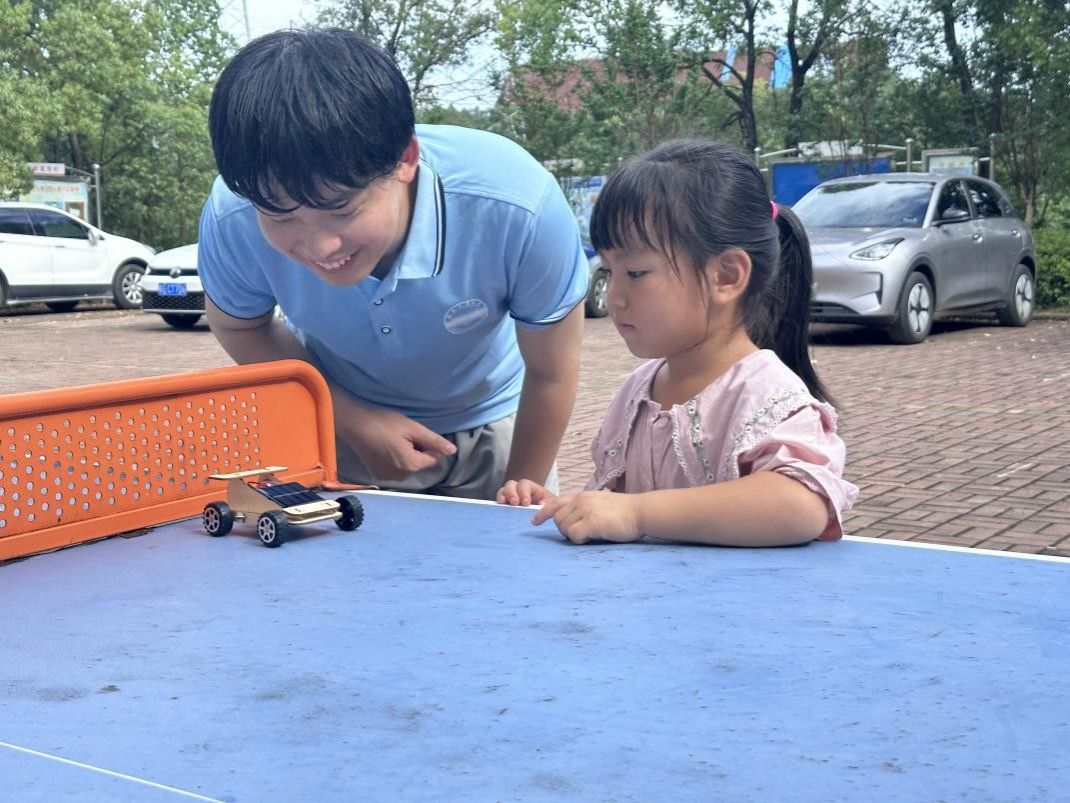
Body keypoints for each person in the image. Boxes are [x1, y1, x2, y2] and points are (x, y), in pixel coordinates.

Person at [197, 28, 589, 500]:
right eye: (282, 216)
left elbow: (552, 371)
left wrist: (520, 492)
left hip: (499, 422)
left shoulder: (517, 203)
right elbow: (239, 326)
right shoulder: (234, 213)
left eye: (342, 209)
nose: (321, 247)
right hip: (339, 421)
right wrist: (351, 418)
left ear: (405, 159)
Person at [497, 139, 859, 546]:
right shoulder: (638, 391)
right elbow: (615, 504)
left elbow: (801, 504)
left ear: (726, 276)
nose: (614, 297)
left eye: (635, 273)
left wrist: (637, 514)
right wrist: (568, 508)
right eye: (609, 271)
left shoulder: (765, 394)